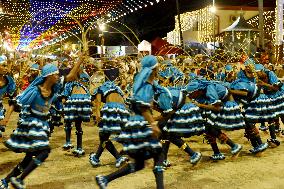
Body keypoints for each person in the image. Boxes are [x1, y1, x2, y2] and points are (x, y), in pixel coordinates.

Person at [0, 54, 86, 189]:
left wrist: (80, 60)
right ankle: (20, 180)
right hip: (32, 124)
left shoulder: (54, 89)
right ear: (48, 76)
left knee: (29, 158)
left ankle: (6, 180)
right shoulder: (35, 91)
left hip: (43, 124)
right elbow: (15, 103)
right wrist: (5, 120)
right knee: (44, 152)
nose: (58, 76)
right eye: (55, 74)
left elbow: (69, 77)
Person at [96, 55, 164, 189]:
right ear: (154, 69)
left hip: (136, 123)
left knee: (139, 164)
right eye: (158, 67)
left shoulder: (144, 82)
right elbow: (142, 106)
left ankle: (105, 179)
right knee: (158, 154)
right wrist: (153, 124)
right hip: (141, 124)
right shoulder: (146, 85)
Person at [185, 79, 243, 160]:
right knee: (207, 127)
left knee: (209, 126)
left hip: (228, 106)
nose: (190, 96)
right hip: (220, 105)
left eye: (191, 94)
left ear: (197, 91)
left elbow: (217, 108)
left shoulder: (210, 91)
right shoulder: (201, 92)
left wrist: (200, 105)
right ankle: (218, 152)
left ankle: (233, 146)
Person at [89, 80, 129, 168]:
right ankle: (96, 158)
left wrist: (98, 115)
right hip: (123, 109)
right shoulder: (116, 88)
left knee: (103, 136)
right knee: (111, 135)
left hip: (111, 107)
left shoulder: (100, 89)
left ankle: (118, 158)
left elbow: (98, 103)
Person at [61, 69, 92, 156]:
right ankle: (79, 148)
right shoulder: (84, 83)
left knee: (68, 122)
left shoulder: (68, 84)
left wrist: (64, 108)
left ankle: (68, 142)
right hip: (84, 101)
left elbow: (64, 99)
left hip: (74, 101)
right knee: (78, 125)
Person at [0, 55, 16, 137]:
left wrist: (15, 89)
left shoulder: (9, 80)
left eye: (6, 66)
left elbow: (11, 95)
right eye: (3, 65)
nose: (6, 68)